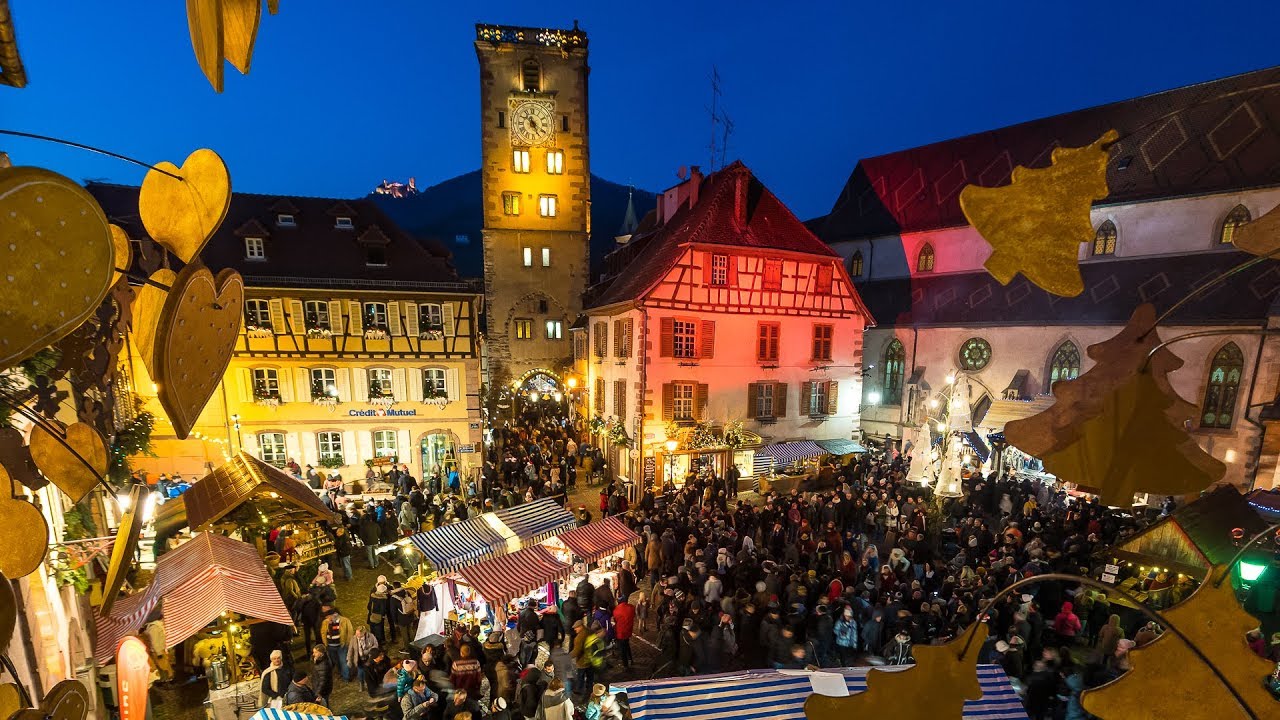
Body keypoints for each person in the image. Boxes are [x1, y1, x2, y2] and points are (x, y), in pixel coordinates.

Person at [321, 607, 353, 682]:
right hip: (331, 646)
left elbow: (350, 632)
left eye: (328, 617)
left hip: (341, 646)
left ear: (333, 615)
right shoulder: (326, 622)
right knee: (336, 661)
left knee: (343, 662)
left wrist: (347, 643)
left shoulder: (344, 621)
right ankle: (341, 673)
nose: (327, 619)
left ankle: (346, 677)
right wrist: (325, 643)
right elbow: (323, 632)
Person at [348, 624, 379, 690]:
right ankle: (361, 683)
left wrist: (368, 651)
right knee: (360, 672)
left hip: (368, 658)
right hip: (359, 658)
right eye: (356, 633)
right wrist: (349, 660)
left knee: (368, 671)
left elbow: (376, 645)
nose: (357, 635)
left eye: (358, 634)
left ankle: (368, 683)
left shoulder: (370, 636)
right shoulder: (354, 639)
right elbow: (350, 649)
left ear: (363, 633)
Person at [612, 596, 635, 670]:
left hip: (620, 632)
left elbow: (615, 620)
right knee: (627, 645)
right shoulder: (631, 607)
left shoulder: (616, 610)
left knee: (622, 649)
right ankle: (630, 659)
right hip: (628, 631)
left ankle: (625, 665)